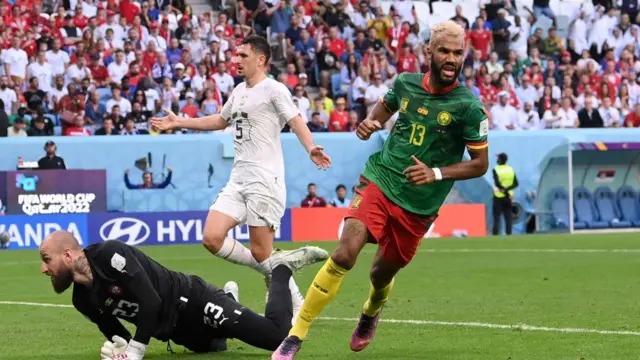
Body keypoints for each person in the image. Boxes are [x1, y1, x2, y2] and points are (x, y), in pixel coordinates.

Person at [272, 21, 490, 359]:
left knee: (380, 272)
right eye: (444, 51)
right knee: (345, 253)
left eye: (457, 53)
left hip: (418, 206)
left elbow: (480, 164)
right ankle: (296, 333)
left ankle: (371, 310)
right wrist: (370, 123)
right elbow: (383, 110)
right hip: (382, 178)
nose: (451, 58)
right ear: (428, 52)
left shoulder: (468, 107)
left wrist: (435, 173)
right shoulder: (405, 83)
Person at [150, 35, 332, 324]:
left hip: (264, 179)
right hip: (238, 179)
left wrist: (310, 147)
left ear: (261, 59)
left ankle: (297, 301)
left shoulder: (274, 89)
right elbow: (221, 121)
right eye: (235, 55)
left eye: (243, 55)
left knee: (262, 252)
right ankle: (282, 269)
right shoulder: (237, 91)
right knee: (211, 237)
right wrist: (179, 122)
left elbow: (296, 121)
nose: (236, 60)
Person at [39, 230, 329, 360]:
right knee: (216, 348)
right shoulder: (82, 299)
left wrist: (136, 352)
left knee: (277, 339)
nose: (43, 268)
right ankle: (231, 301)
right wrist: (118, 351)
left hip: (195, 301)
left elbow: (150, 301)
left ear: (67, 255)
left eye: (46, 259)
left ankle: (279, 269)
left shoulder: (110, 253)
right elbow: (120, 338)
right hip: (178, 332)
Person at [492, 153, 518, 235]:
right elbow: (515, 183)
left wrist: (504, 191)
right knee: (508, 218)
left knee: (496, 218)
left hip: (498, 196)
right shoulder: (510, 169)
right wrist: (508, 191)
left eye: (498, 158)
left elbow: (497, 184)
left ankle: (495, 235)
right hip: (509, 197)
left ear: (499, 159)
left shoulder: (496, 169)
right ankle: (509, 235)